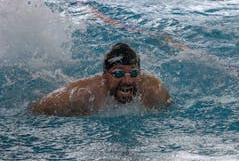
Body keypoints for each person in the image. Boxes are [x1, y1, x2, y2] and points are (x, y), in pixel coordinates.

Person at [31, 43, 172, 116]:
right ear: (104, 76)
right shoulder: (84, 95)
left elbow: (171, 109)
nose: (128, 81)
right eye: (118, 74)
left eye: (134, 74)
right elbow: (37, 109)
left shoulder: (153, 90)